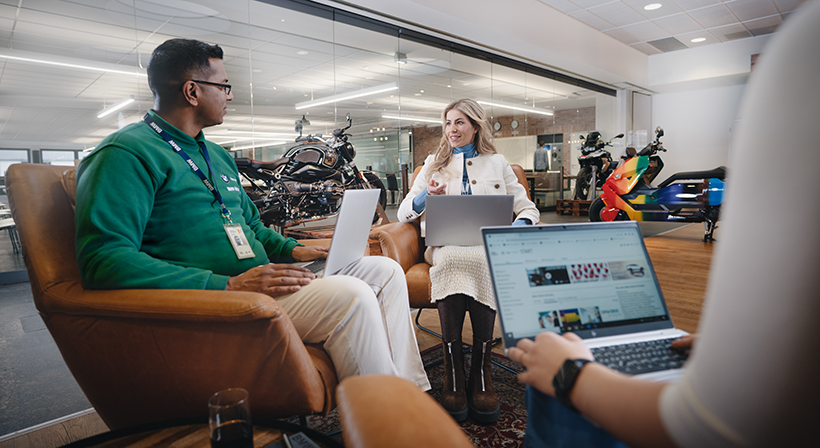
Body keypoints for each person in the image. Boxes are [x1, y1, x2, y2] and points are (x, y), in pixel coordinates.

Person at [507, 1, 820, 446]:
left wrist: (570, 374)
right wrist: (729, 352)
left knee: (547, 394)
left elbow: (707, 430)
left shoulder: (804, 50)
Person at [74, 38, 430, 391]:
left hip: (262, 281)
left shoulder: (217, 155)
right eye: (224, 86)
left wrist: (294, 251)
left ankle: (409, 395)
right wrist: (228, 284)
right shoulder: (125, 154)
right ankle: (380, 419)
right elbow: (103, 259)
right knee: (354, 298)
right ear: (192, 91)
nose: (229, 95)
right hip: (220, 298)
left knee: (384, 271)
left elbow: (254, 227)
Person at [398, 99, 539, 423]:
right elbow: (405, 211)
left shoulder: (498, 163)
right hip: (444, 246)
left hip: (487, 247)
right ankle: (453, 373)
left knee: (482, 260)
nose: (452, 130)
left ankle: (481, 370)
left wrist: (513, 229)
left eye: (459, 123)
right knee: (449, 260)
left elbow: (528, 210)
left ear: (475, 126)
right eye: (447, 123)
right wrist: (426, 197)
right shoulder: (433, 163)